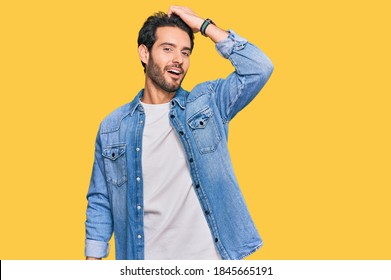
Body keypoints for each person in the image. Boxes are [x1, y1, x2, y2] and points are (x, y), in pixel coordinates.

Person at [85, 6, 273, 260]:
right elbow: (101, 201)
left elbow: (259, 67)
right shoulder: (113, 127)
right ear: (144, 52)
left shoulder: (208, 103)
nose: (178, 59)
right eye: (168, 49)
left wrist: (204, 26)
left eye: (185, 52)